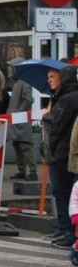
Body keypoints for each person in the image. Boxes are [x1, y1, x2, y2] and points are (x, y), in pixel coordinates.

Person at [42, 65, 78, 249]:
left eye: (53, 77)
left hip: (64, 153)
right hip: (70, 151)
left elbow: (57, 126)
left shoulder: (66, 99)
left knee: (65, 195)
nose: (49, 80)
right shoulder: (65, 97)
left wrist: (52, 149)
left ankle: (69, 233)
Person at [7, 60, 37, 181]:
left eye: (13, 68)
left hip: (22, 121)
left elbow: (29, 100)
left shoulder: (25, 82)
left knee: (25, 147)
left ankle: (33, 171)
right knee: (18, 146)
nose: (11, 71)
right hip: (16, 121)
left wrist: (19, 113)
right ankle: (22, 170)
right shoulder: (18, 82)